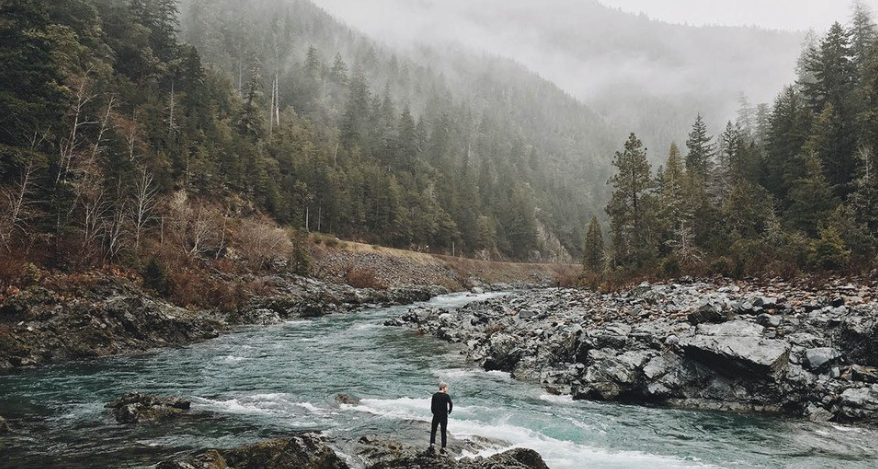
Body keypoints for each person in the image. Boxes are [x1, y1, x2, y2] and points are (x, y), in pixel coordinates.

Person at [429, 382, 453, 453]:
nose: (447, 389)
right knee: (443, 431)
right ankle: (443, 447)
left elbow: (432, 406)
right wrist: (449, 411)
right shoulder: (446, 396)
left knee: (433, 430)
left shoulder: (435, 395)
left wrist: (434, 412)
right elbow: (451, 404)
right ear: (443, 387)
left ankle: (432, 444)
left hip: (436, 415)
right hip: (444, 416)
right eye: (446, 387)